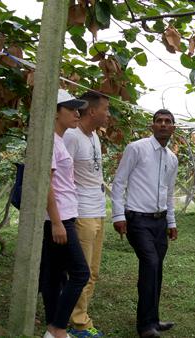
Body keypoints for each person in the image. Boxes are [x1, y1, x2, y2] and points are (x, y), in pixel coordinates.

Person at [111, 109, 179, 338]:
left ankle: (154, 319)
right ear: (152, 126)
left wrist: (171, 222)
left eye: (167, 121)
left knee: (156, 269)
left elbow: (169, 194)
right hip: (137, 219)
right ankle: (144, 326)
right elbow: (119, 182)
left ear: (173, 128)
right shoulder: (136, 148)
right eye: (159, 121)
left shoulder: (172, 158)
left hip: (160, 222)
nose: (163, 124)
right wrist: (118, 216)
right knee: (150, 263)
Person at [40, 89, 90, 338]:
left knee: (54, 274)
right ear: (56, 112)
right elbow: (46, 184)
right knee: (81, 273)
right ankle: (57, 327)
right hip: (58, 219)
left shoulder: (59, 140)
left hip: (64, 216)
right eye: (71, 109)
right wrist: (58, 222)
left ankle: (53, 328)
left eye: (77, 109)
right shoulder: (50, 141)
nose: (77, 113)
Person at [63, 91, 110, 338]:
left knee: (92, 271)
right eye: (106, 109)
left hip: (97, 210)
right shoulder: (71, 136)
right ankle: (79, 323)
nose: (108, 114)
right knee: (80, 271)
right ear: (92, 111)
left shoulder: (94, 137)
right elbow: (63, 175)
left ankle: (77, 316)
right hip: (81, 212)